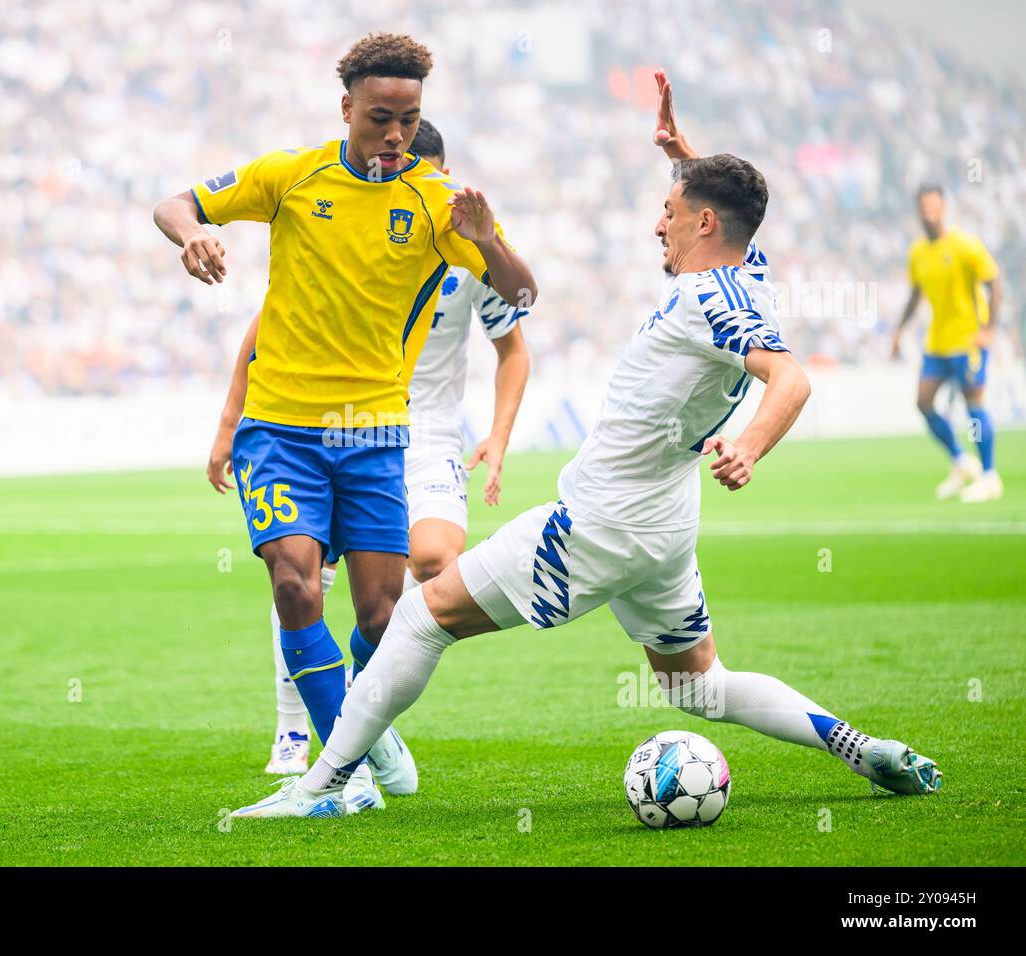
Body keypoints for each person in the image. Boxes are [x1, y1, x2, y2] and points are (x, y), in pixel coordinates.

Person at [231, 70, 940, 819]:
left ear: (701, 225)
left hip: (599, 523)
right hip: (665, 530)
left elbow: (791, 379)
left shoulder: (710, 299)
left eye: (669, 211)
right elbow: (727, 215)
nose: (656, 223)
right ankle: (861, 749)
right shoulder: (749, 273)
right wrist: (680, 154)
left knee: (419, 616)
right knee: (698, 685)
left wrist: (751, 445)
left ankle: (323, 788)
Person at [153, 33, 537, 817]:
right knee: (295, 583)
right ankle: (341, 777)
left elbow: (521, 296)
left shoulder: (435, 203)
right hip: (281, 427)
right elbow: (176, 202)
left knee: (380, 615)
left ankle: (361, 720)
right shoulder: (293, 175)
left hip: (375, 434)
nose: (395, 136)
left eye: (409, 120)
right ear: (347, 110)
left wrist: (489, 238)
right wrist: (191, 233)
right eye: (380, 119)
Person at [892, 185, 1003, 502]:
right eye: (924, 207)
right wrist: (899, 330)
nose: (929, 212)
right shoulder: (917, 252)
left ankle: (989, 474)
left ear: (944, 208)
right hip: (937, 343)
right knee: (923, 402)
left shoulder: (965, 244)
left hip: (968, 340)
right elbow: (916, 294)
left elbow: (994, 282)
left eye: (934, 206)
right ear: (919, 211)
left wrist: (989, 329)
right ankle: (961, 460)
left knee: (974, 404)